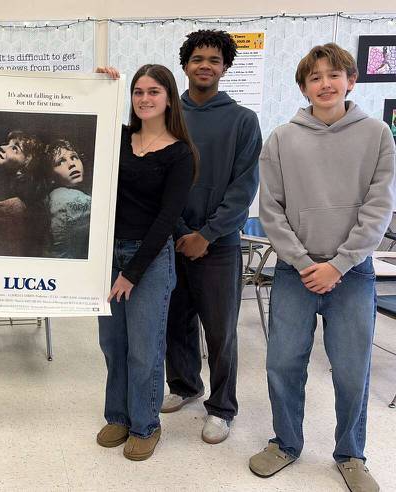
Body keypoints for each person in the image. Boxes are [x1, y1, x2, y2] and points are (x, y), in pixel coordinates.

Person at [250, 43, 395, 492]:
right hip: (294, 272)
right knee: (283, 364)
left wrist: (339, 264)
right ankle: (285, 443)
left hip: (352, 275)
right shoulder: (282, 138)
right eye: (315, 77)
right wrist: (302, 261)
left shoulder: (377, 135)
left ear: (351, 81)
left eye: (334, 75)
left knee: (352, 370)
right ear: (304, 87)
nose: (325, 83)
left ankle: (351, 454)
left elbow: (379, 208)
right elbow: (271, 209)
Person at [162, 29, 262, 444]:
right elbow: (158, 180)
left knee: (220, 331)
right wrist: (181, 231)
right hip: (171, 240)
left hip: (219, 245)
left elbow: (244, 187)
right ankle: (184, 385)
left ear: (225, 68)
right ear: (185, 65)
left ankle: (222, 407)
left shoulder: (243, 120)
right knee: (174, 321)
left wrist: (206, 234)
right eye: (198, 59)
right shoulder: (167, 115)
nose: (205, 65)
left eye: (214, 60)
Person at [95, 64, 197, 460]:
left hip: (150, 260)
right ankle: (118, 416)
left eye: (153, 91)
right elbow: (87, 112)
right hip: (108, 253)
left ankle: (145, 424)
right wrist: (103, 84)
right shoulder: (119, 137)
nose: (144, 98)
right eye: (138, 91)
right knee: (112, 344)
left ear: (169, 98)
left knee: (144, 348)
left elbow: (167, 220)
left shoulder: (180, 153)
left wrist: (131, 273)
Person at [0, 131, 47, 257]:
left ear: (24, 169)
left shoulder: (14, 210)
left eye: (15, 148)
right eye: (6, 144)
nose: (2, 147)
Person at [43, 139, 92, 259]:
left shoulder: (54, 195)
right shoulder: (65, 198)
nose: (71, 164)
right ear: (50, 176)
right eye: (60, 162)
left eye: (74, 157)